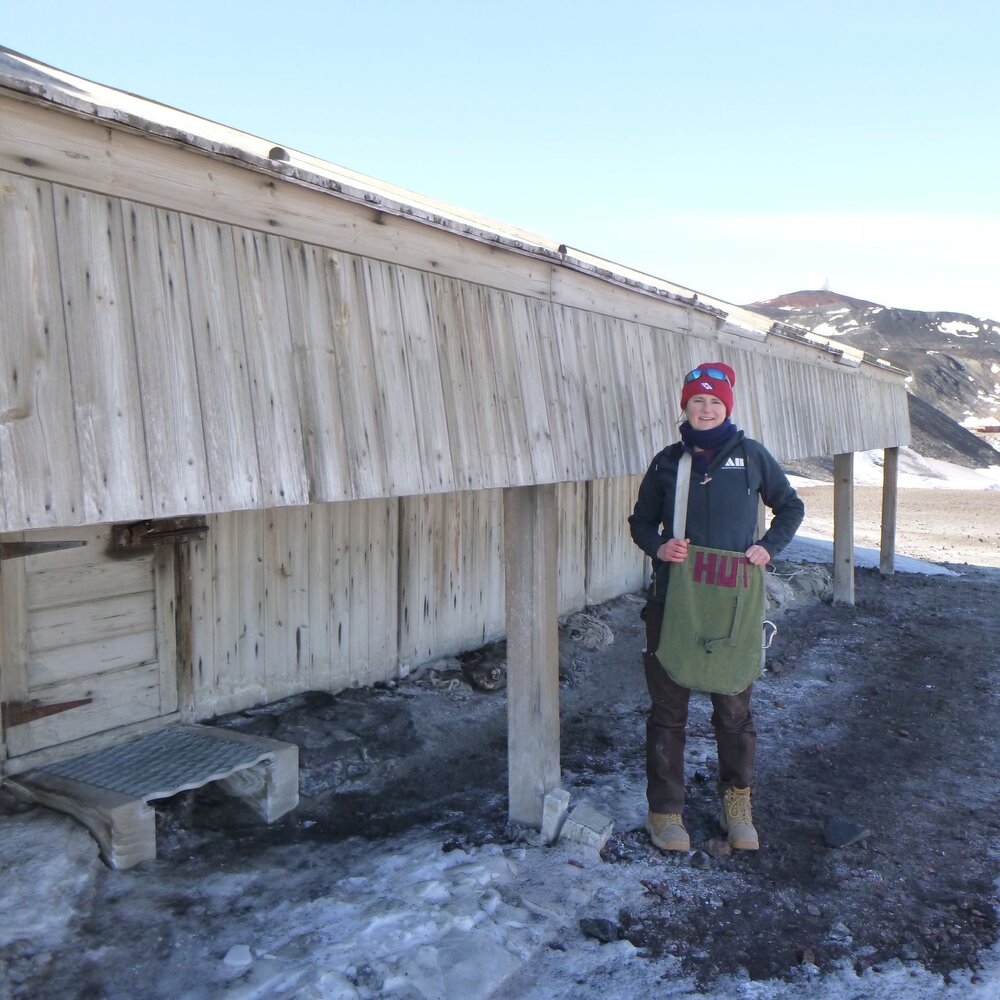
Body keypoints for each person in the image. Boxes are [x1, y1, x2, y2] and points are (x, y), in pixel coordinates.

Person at [628, 362, 804, 852]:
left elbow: (790, 506)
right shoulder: (667, 463)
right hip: (673, 600)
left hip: (732, 604)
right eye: (696, 402)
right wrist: (659, 547)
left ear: (727, 407)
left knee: (733, 709)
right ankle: (665, 813)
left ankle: (738, 804)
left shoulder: (751, 457)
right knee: (668, 711)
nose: (705, 410)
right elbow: (641, 522)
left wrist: (769, 546)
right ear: (684, 407)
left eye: (715, 402)